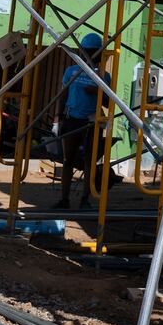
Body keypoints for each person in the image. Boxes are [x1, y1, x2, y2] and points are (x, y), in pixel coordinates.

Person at [54, 33, 113, 209]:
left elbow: (108, 103)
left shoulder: (104, 77)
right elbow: (62, 96)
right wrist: (57, 119)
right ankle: (64, 200)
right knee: (68, 160)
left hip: (92, 122)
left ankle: (85, 199)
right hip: (72, 119)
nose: (92, 56)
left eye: (94, 52)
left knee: (89, 162)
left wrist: (97, 92)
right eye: (89, 52)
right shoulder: (71, 71)